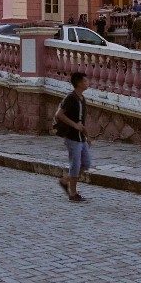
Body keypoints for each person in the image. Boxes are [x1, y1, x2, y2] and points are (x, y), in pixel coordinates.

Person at [54, 72, 91, 203]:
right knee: (75, 165)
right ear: (79, 83)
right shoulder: (70, 98)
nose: (87, 83)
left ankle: (65, 181)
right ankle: (73, 193)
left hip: (81, 137)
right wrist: (75, 125)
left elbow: (81, 121)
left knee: (86, 163)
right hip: (71, 137)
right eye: (85, 81)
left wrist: (87, 135)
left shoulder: (82, 99)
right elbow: (59, 114)